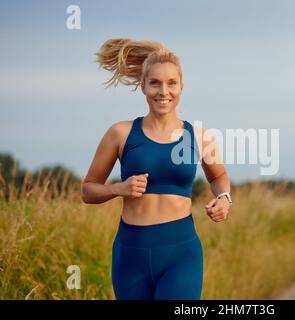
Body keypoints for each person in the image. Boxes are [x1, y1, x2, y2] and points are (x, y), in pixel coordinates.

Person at [81, 38, 232, 300]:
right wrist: (120, 188)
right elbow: (87, 190)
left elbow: (219, 176)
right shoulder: (120, 133)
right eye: (155, 83)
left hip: (181, 253)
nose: (164, 91)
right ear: (143, 87)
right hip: (130, 254)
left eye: (171, 83)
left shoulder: (198, 137)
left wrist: (224, 197)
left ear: (181, 87)